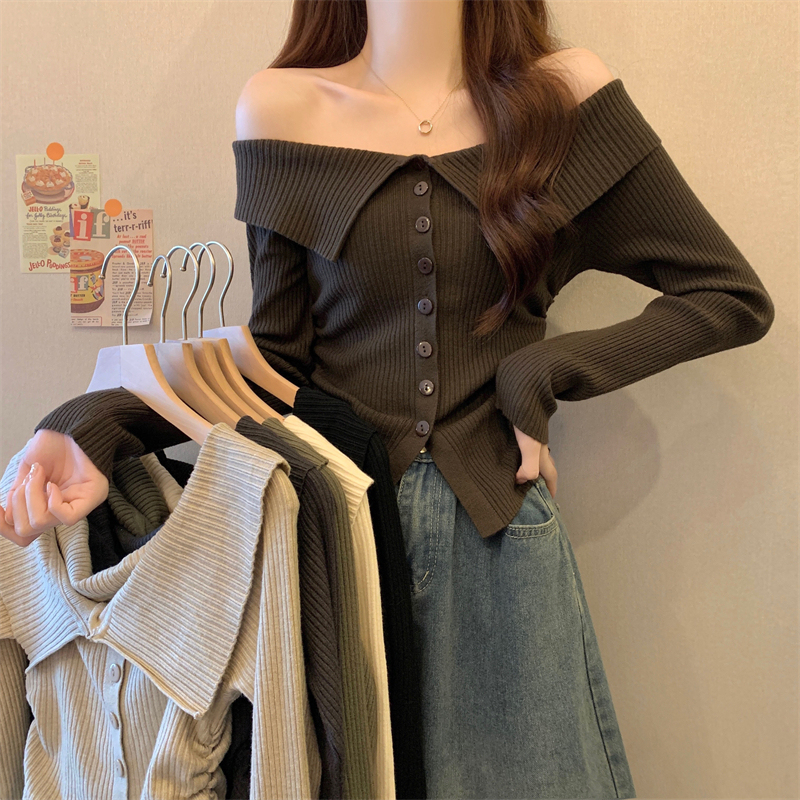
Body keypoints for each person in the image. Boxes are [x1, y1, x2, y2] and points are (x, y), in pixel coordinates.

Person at [0, 1, 775, 798]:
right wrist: (93, 424)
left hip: (499, 542)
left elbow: (727, 296)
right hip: (336, 545)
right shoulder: (281, 106)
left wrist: (538, 375)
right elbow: (275, 361)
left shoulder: (563, 99)